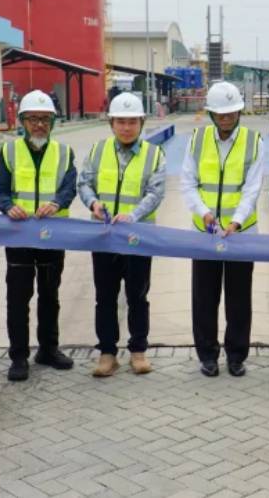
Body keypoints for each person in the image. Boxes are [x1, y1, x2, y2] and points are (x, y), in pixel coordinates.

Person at [77, 92, 166, 377]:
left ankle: (138, 351)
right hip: (104, 237)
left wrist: (133, 216)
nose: (126, 128)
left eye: (132, 122)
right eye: (121, 122)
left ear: (141, 123)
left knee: (138, 295)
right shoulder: (98, 150)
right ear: (111, 123)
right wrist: (93, 203)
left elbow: (155, 192)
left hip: (138, 237)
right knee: (105, 296)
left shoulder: (154, 154)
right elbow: (84, 183)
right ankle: (107, 353)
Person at [181, 82, 264, 378]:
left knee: (239, 298)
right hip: (204, 233)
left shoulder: (253, 142)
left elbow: (252, 188)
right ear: (211, 114)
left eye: (231, 113)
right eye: (220, 113)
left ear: (239, 112)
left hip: (241, 233)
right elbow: (188, 183)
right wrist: (203, 212)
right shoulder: (197, 139)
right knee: (204, 297)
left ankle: (236, 356)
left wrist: (236, 221)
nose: (226, 118)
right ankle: (207, 355)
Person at [0, 90, 77, 382]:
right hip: (19, 236)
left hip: (52, 234)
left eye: (45, 119)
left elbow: (69, 187)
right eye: (33, 119)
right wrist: (8, 206)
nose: (39, 125)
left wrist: (57, 203)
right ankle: (18, 356)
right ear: (22, 122)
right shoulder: (8, 152)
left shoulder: (64, 152)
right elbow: (0, 189)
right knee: (18, 297)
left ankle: (48, 349)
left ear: (53, 122)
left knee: (50, 295)